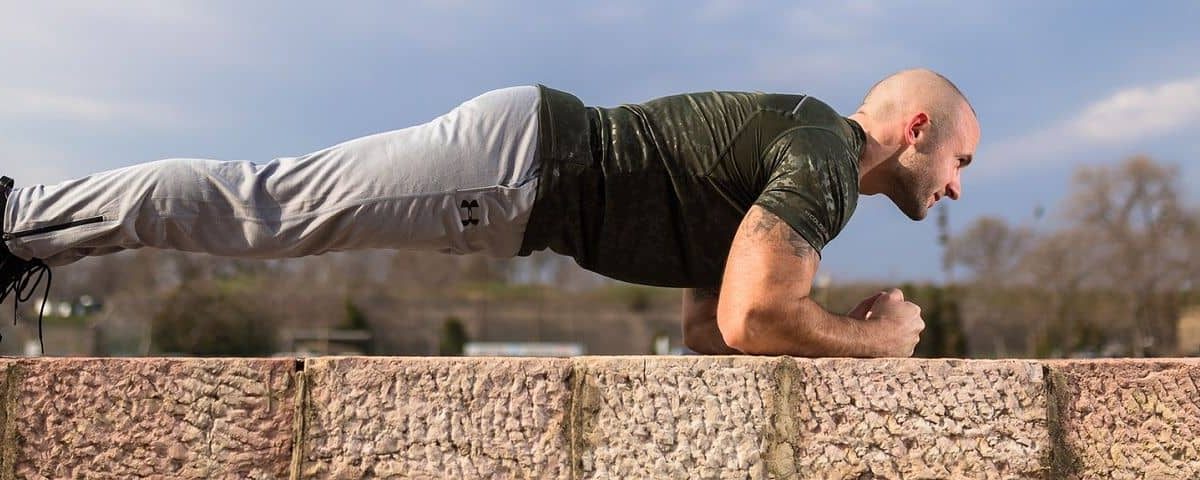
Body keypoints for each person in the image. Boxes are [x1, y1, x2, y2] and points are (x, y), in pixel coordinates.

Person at [1, 68, 979, 357]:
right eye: (960, 161)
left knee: (274, 207)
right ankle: (20, 216)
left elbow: (711, 326)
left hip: (525, 166)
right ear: (917, 129)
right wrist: (877, 341)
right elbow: (755, 313)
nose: (957, 187)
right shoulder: (822, 159)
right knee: (270, 208)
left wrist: (814, 334)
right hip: (523, 168)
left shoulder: (802, 151)